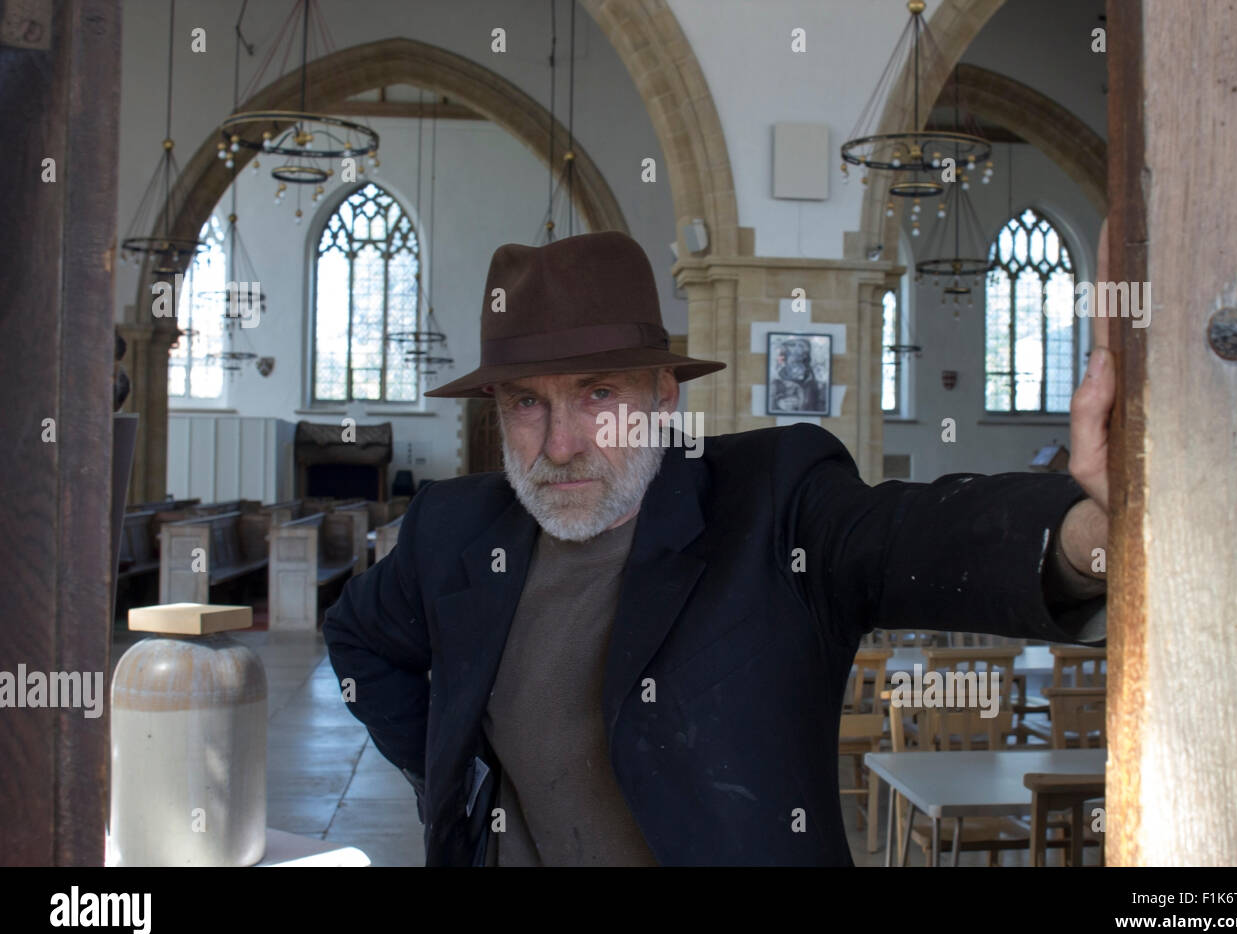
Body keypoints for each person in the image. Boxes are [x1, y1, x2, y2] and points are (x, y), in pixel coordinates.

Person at [323, 229, 1113, 866]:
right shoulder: (458, 529)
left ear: (663, 396)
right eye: (529, 402)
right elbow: (358, 637)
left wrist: (1092, 533)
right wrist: (454, 774)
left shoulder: (770, 501)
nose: (559, 445)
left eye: (599, 394)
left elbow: (911, 535)